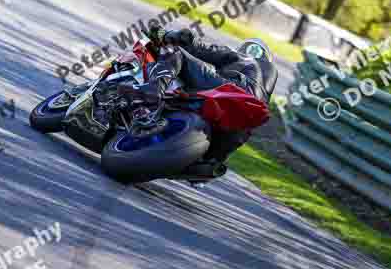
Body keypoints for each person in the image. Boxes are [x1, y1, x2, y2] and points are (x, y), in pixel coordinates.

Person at [119, 25, 278, 166]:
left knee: (178, 54)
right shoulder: (261, 97)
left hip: (231, 89)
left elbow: (196, 47)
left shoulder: (245, 58)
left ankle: (147, 98)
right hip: (229, 138)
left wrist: (166, 35)